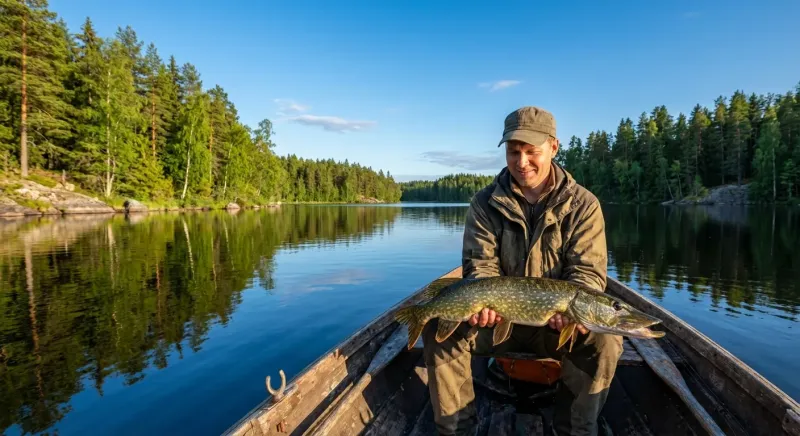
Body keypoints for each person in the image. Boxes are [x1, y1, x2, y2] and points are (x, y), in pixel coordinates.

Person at [422, 106, 623, 436]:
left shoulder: (584, 205)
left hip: (556, 327)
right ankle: (457, 430)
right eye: (514, 152)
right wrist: (482, 304)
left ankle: (574, 431)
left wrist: (572, 313)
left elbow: (587, 273)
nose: (522, 162)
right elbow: (480, 267)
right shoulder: (484, 204)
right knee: (437, 328)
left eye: (532, 152)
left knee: (605, 340)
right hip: (498, 322)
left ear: (553, 147)